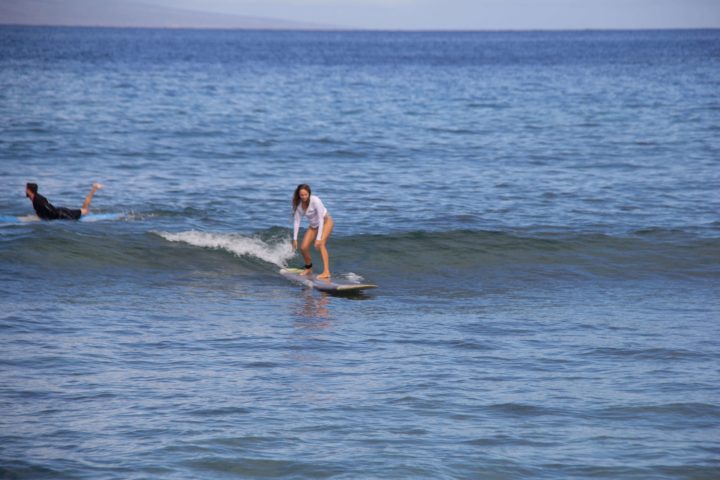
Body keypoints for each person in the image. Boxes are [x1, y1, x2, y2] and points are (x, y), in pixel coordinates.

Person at [292, 184, 334, 279]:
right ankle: (308, 268)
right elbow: (297, 221)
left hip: (326, 222)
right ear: (299, 195)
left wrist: (318, 239)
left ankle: (326, 272)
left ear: (309, 193)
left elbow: (320, 219)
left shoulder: (315, 201)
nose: (304, 197)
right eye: (301, 195)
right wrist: (295, 239)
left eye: (305, 194)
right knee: (303, 247)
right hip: (314, 226)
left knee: (321, 244)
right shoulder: (299, 205)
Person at [25, 182, 103, 220]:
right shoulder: (35, 198)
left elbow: (49, 210)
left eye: (26, 189)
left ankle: (94, 188)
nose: (25, 190)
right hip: (59, 211)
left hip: (63, 214)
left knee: (85, 210)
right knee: (84, 210)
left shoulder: (38, 199)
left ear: (29, 190)